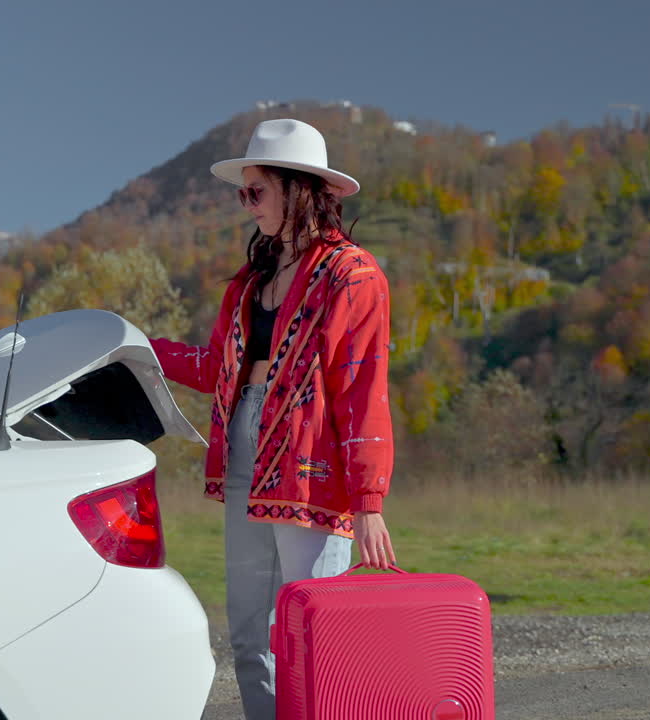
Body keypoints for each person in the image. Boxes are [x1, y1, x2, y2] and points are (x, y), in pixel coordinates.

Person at [150, 118, 396, 720]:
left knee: (311, 630)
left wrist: (368, 499)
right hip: (242, 446)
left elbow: (362, 390)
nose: (246, 203)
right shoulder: (250, 280)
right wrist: (137, 346)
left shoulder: (353, 275)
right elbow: (217, 368)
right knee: (247, 632)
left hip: (312, 462)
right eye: (242, 192)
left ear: (297, 188)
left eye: (254, 190)